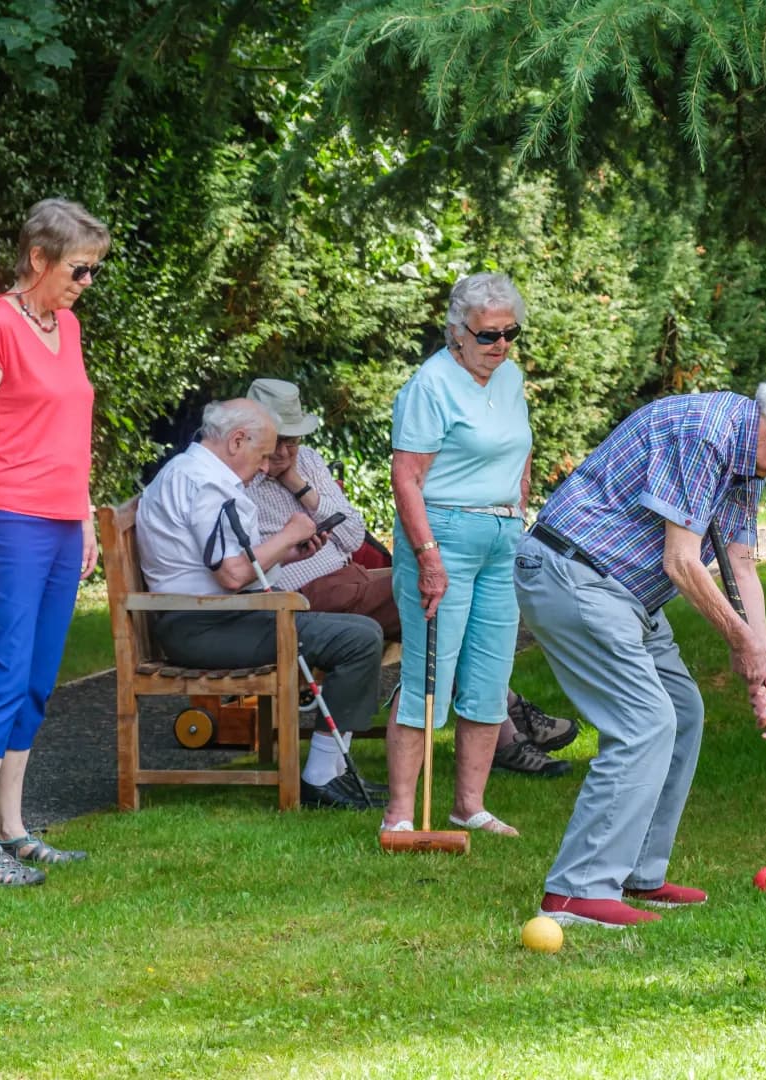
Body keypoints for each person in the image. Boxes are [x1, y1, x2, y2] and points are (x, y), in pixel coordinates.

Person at [516, 368, 766, 929]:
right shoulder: (705, 433)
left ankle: (637, 875)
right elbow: (681, 562)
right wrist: (740, 640)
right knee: (644, 721)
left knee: (681, 713)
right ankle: (576, 892)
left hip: (626, 594)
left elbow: (741, 564)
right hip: (574, 573)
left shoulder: (749, 464)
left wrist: (765, 664)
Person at [241, 377, 579, 777]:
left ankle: (504, 724)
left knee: (444, 608)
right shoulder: (242, 476)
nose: (283, 451)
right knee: (443, 598)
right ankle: (506, 723)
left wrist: (296, 483)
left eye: (292, 440)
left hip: (350, 578)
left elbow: (350, 535)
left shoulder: (307, 463)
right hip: (300, 594)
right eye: (277, 440)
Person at [0, 198, 110, 886]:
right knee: (2, 677)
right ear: (38, 258)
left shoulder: (65, 327)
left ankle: (12, 828)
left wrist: (86, 518)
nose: (85, 283)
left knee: (38, 683)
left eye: (94, 271)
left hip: (60, 526)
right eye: (78, 269)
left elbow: (73, 432)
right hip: (10, 522)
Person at [137, 398, 388, 810]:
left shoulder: (194, 472)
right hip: (204, 627)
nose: (266, 466)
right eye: (263, 454)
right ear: (237, 440)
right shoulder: (206, 483)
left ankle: (332, 775)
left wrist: (289, 554)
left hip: (212, 617)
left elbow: (233, 563)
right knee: (357, 639)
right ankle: (322, 780)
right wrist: (289, 534)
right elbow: (232, 574)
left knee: (358, 633)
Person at [381, 273, 536, 839]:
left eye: (510, 334)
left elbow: (519, 441)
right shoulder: (431, 385)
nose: (501, 345)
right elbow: (406, 476)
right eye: (489, 335)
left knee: (490, 675)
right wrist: (426, 554)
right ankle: (400, 815)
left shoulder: (510, 375)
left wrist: (518, 489)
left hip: (501, 534)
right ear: (457, 332)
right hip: (442, 531)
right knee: (429, 674)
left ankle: (469, 806)